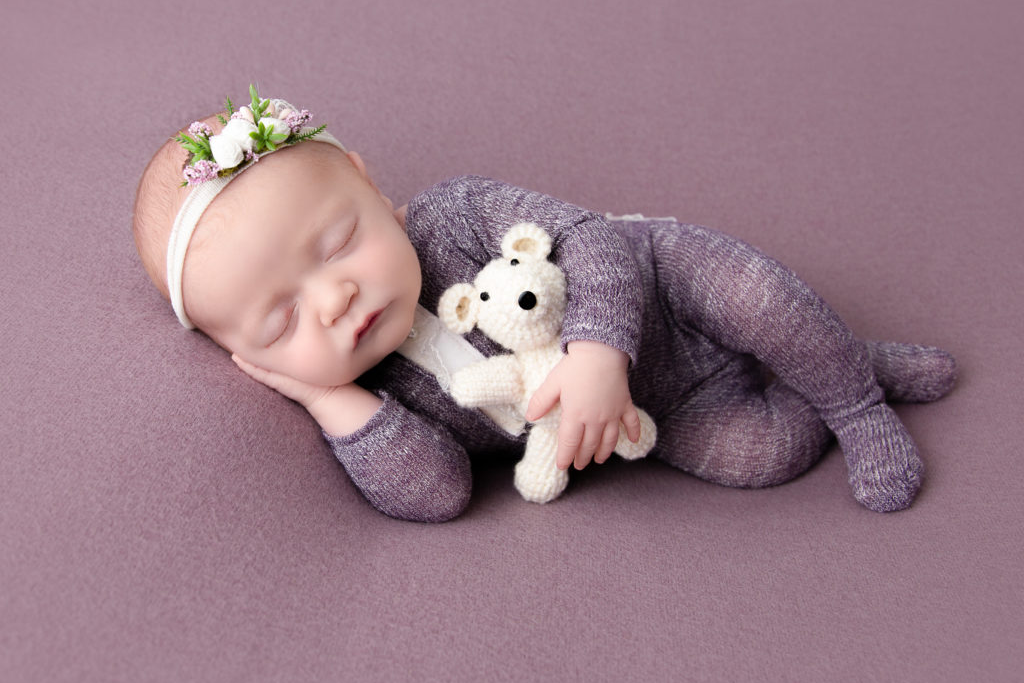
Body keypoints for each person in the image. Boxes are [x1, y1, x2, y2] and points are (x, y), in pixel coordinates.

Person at [133, 87, 956, 522]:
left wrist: (599, 349)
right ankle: (839, 362)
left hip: (659, 285)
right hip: (661, 405)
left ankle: (858, 400)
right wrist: (324, 394)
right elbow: (438, 493)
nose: (335, 297)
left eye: (337, 243)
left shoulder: (455, 213)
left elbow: (588, 236)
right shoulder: (378, 395)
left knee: (764, 303)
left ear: (371, 186)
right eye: (281, 322)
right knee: (764, 455)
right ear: (250, 357)